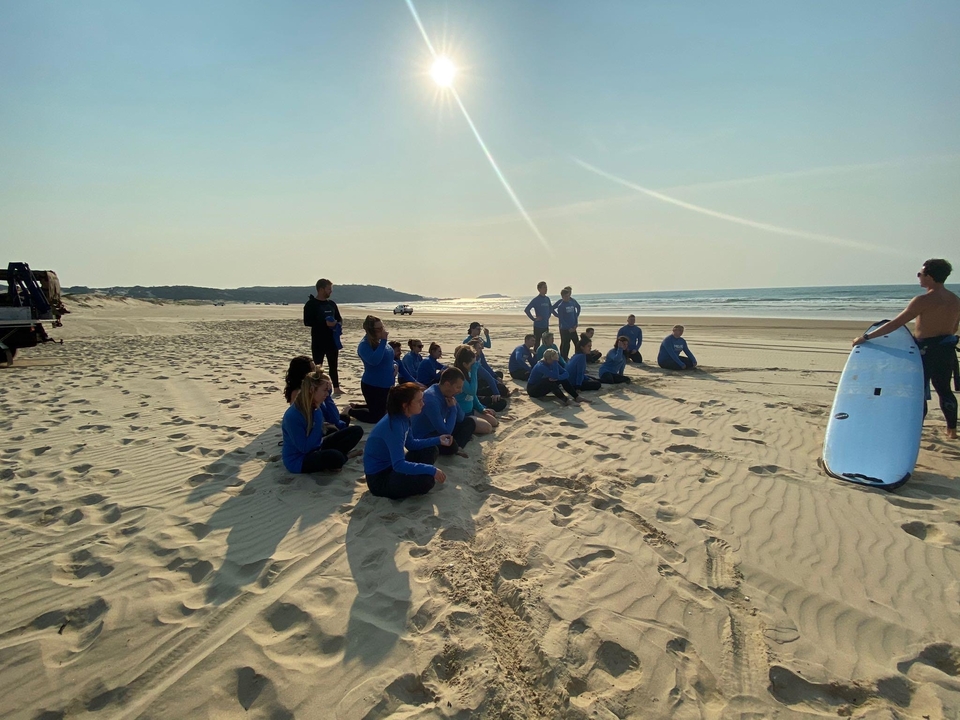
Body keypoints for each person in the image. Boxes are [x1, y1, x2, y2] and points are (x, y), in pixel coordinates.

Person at [853, 258, 959, 439]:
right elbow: (955, 327)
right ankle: (952, 431)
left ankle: (915, 430)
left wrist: (866, 337)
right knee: (944, 389)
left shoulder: (922, 300)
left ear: (930, 277)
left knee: (919, 391)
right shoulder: (956, 300)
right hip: (946, 350)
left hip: (925, 351)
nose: (918, 277)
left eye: (921, 274)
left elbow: (896, 323)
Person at [362, 383, 452, 499]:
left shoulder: (404, 417)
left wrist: (438, 440)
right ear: (405, 405)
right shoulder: (394, 426)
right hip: (379, 478)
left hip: (392, 468)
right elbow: (398, 464)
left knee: (431, 449)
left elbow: (411, 444)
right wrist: (431, 469)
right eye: (419, 401)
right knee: (427, 481)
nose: (423, 404)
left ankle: (418, 474)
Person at [282, 371, 353, 474]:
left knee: (355, 431)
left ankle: (338, 458)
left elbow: (334, 419)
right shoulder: (293, 415)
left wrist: (327, 398)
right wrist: (319, 421)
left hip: (316, 447)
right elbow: (305, 448)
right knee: (335, 456)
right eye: (325, 390)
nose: (327, 393)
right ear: (312, 390)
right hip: (299, 460)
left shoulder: (316, 405)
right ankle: (342, 457)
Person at [411, 367, 477, 457]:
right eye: (458, 387)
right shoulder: (431, 399)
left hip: (436, 431)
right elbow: (445, 431)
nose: (460, 391)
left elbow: (461, 418)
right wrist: (453, 409)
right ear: (447, 385)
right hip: (424, 437)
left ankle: (458, 446)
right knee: (451, 446)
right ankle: (457, 447)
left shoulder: (447, 394)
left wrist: (455, 404)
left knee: (469, 422)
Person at [351, 315, 397, 423]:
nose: (382, 331)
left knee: (386, 409)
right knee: (376, 417)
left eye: (383, 327)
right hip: (373, 385)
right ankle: (350, 411)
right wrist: (384, 342)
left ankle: (357, 406)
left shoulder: (381, 342)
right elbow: (374, 361)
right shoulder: (364, 345)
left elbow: (389, 357)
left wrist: (395, 365)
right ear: (371, 330)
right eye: (378, 329)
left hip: (387, 385)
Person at [303, 279, 344, 393]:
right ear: (321, 289)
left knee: (333, 366)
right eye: (329, 289)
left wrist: (337, 324)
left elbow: (339, 318)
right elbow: (307, 321)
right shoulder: (311, 304)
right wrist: (324, 323)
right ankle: (315, 388)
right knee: (317, 366)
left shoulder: (331, 304)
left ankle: (336, 388)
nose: (330, 291)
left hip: (332, 340)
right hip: (318, 340)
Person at [453, 345, 499, 434]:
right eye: (472, 364)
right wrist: (474, 370)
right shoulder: (459, 376)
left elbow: (473, 395)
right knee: (488, 428)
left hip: (471, 409)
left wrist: (481, 408)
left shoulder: (468, 373)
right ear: (465, 364)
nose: (474, 365)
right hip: (463, 413)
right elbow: (472, 390)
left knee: (494, 421)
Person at [467, 338, 508, 411]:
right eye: (479, 347)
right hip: (473, 393)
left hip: (475, 390)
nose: (482, 348)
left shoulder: (476, 363)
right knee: (500, 398)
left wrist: (496, 378)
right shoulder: (471, 365)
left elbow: (486, 369)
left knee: (499, 378)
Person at [551, 286, 582, 361]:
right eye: (566, 296)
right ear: (563, 296)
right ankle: (564, 359)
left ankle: (577, 358)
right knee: (566, 344)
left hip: (573, 327)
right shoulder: (561, 305)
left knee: (577, 343)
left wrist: (576, 324)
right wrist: (569, 328)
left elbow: (575, 313)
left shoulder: (572, 302)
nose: (568, 297)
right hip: (565, 329)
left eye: (569, 295)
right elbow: (561, 319)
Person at [524, 281, 553, 347]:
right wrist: (534, 319)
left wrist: (549, 315)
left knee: (546, 344)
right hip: (538, 326)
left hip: (545, 325)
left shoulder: (547, 299)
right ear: (539, 289)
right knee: (536, 344)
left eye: (546, 287)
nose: (546, 289)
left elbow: (550, 308)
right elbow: (527, 310)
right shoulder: (536, 300)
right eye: (544, 287)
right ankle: (536, 357)